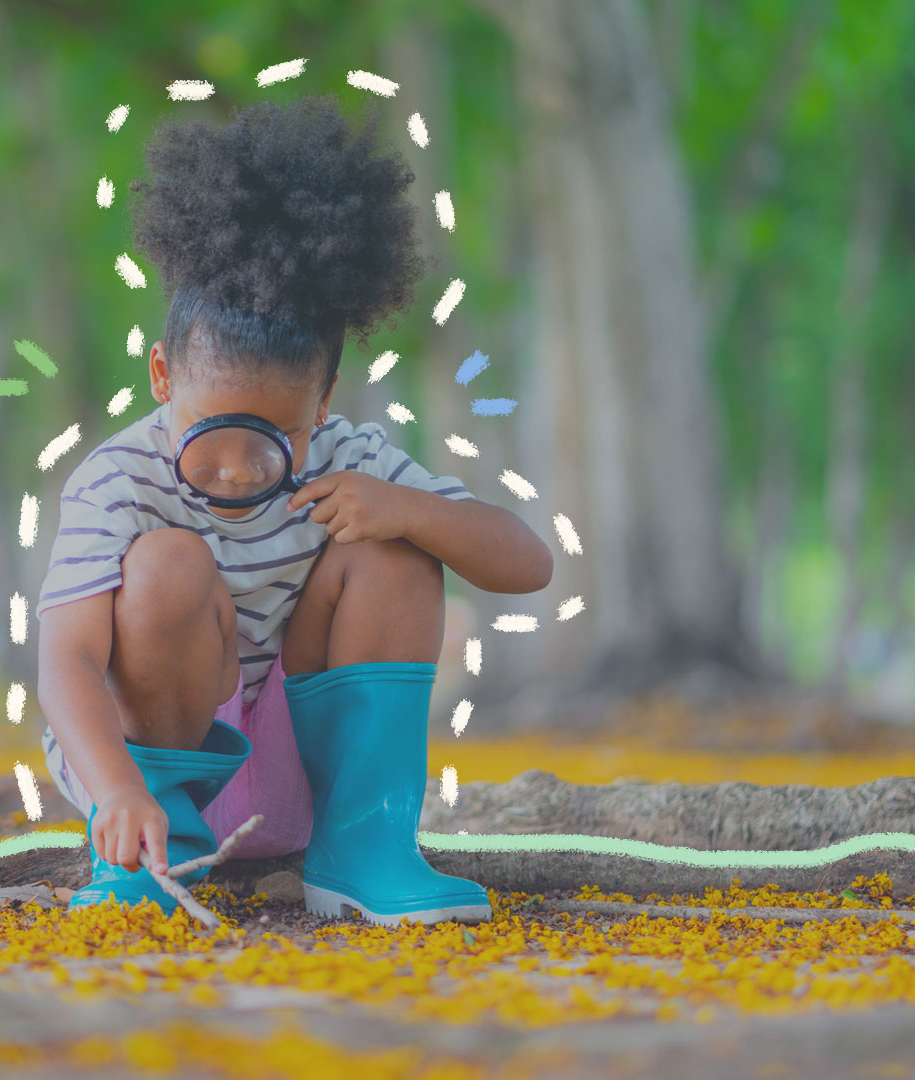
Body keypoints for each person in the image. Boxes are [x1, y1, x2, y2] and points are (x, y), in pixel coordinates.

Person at [35, 93, 553, 926]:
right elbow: (64, 659)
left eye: (275, 432)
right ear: (163, 378)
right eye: (211, 429)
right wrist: (119, 793)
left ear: (324, 402)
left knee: (400, 543)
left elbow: (530, 566)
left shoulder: (354, 458)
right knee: (166, 563)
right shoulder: (117, 479)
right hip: (145, 775)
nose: (238, 469)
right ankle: (147, 854)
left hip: (300, 772)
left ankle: (364, 851)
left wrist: (404, 509)